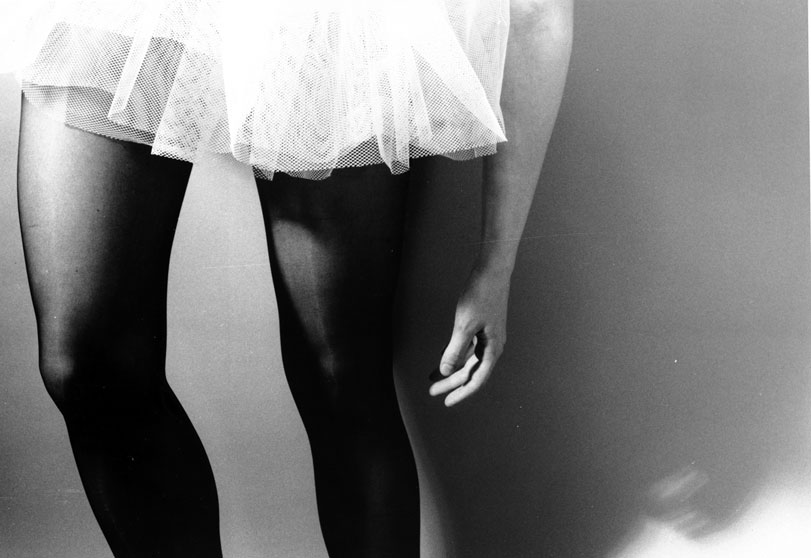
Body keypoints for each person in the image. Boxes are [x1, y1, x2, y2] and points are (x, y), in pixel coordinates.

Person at [7, 0, 572, 556]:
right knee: (87, 365)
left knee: (340, 379)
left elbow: (537, 13)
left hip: (328, 23)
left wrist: (496, 264)